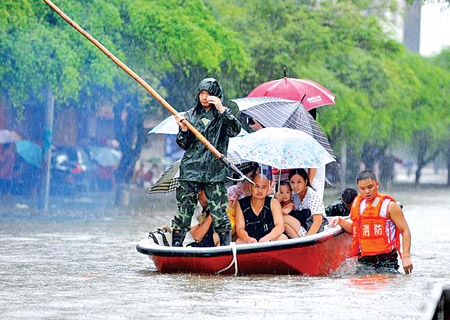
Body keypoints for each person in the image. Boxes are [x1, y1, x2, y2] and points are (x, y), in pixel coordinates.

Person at [171, 78, 241, 247]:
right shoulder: (189, 116)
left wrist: (221, 109)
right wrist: (183, 129)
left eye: (208, 94)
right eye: (202, 93)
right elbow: (183, 144)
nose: (204, 97)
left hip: (215, 171)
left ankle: (225, 246)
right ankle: (176, 245)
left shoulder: (224, 115)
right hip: (191, 170)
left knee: (219, 212)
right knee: (184, 211)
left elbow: (234, 130)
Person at [330, 170, 413, 274]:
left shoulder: (389, 206)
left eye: (370, 187)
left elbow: (405, 230)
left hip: (386, 260)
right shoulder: (357, 205)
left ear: (377, 184)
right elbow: (356, 230)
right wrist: (340, 221)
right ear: (358, 188)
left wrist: (406, 257)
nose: (367, 191)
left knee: (386, 285)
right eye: (362, 188)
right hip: (365, 260)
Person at [235, 173, 288, 243]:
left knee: (282, 238)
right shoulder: (241, 204)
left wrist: (267, 238)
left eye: (264, 187)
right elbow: (240, 228)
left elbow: (280, 226)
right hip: (250, 240)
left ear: (268, 188)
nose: (260, 190)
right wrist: (247, 238)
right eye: (256, 186)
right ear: (251, 186)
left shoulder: (273, 202)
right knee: (239, 242)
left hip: (269, 238)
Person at [289, 168, 328, 236]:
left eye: (299, 182)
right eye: (292, 182)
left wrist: (307, 239)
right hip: (301, 228)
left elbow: (318, 221)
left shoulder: (312, 195)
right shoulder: (293, 196)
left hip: (315, 231)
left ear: (306, 181)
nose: (295, 186)